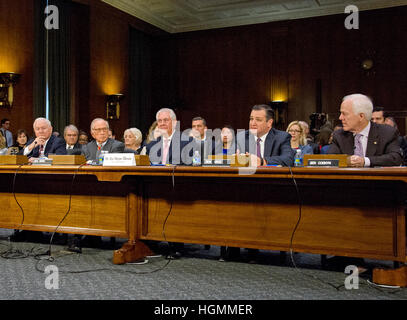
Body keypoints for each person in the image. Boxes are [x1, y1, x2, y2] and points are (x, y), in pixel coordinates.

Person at [328, 94, 402, 167]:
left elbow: (395, 158)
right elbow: (329, 161)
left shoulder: (387, 132)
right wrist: (346, 161)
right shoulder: (339, 135)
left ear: (361, 116)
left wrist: (365, 161)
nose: (340, 118)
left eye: (344, 114)